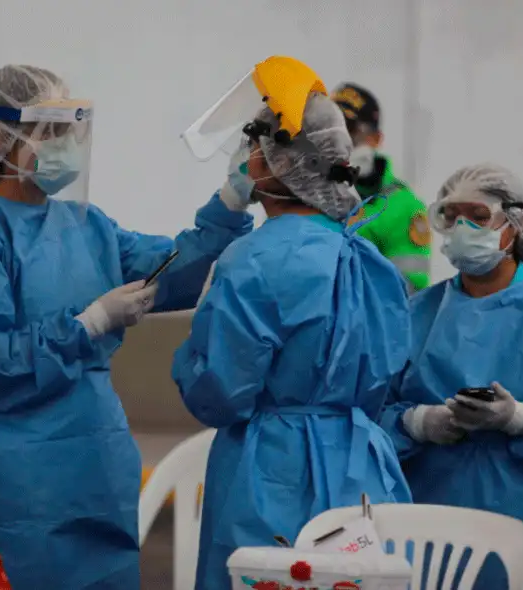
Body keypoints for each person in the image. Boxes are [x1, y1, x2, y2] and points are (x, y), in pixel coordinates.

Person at [0, 64, 254, 590]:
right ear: (2, 140)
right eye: (50, 131)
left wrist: (232, 199)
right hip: (17, 484)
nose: (65, 144)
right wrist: (90, 323)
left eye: (69, 130)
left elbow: (176, 271)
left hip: (97, 471)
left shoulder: (87, 226)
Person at [172, 85, 414, 590]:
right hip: (362, 470)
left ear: (268, 165)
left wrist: (188, 359)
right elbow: (389, 375)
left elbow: (220, 394)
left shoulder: (252, 260)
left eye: (253, 147)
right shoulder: (371, 262)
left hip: (269, 476)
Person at [379, 164, 523, 589]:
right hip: (432, 541)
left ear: (514, 225)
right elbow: (370, 414)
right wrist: (418, 423)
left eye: (478, 217)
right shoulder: (415, 317)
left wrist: (522, 419)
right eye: (452, 216)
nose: (462, 228)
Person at [333, 82, 431, 293]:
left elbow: (409, 289)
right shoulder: (307, 194)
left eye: (351, 130)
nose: (341, 142)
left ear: (376, 139)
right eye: (333, 130)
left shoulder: (403, 207)